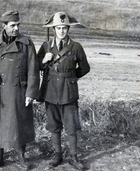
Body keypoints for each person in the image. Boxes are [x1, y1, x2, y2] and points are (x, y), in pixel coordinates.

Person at [0, 10, 40, 170]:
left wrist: (31, 92)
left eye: (18, 25)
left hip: (18, 90)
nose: (16, 28)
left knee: (19, 123)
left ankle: (21, 157)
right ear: (4, 26)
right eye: (12, 25)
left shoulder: (26, 43)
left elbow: (33, 68)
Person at [37, 12, 90, 170]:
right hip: (50, 91)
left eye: (64, 28)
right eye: (58, 28)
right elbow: (36, 66)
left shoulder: (76, 47)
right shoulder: (46, 46)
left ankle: (73, 157)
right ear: (54, 29)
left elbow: (85, 68)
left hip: (68, 92)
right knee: (54, 125)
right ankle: (57, 154)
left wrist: (71, 78)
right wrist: (43, 60)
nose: (61, 31)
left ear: (68, 29)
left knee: (71, 126)